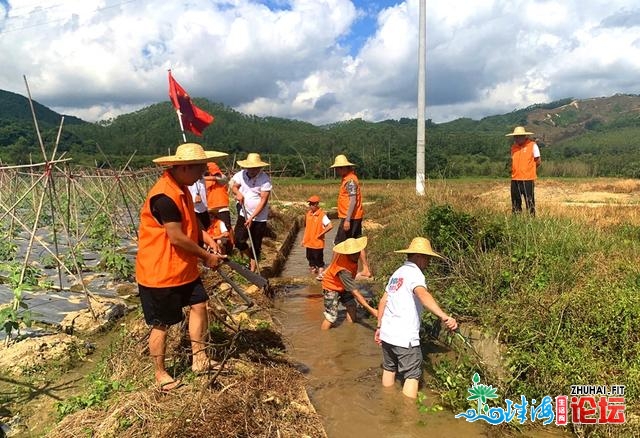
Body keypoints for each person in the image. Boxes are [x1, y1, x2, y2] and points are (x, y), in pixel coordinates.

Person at [135, 142, 227, 392]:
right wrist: (206, 257)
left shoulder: (182, 188)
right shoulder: (164, 196)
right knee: (161, 323)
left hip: (183, 267)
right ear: (183, 167)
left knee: (200, 305)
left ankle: (199, 357)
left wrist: (207, 238)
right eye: (199, 168)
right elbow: (175, 236)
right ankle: (160, 374)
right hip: (160, 272)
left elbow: (191, 222)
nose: (202, 174)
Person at [374, 237, 458, 399]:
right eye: (428, 258)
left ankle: (387, 404)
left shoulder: (397, 274)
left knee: (389, 368)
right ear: (419, 257)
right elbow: (422, 294)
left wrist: (379, 327)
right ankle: (408, 417)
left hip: (387, 334)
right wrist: (444, 316)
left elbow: (383, 300)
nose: (429, 262)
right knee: (412, 375)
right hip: (405, 337)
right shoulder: (415, 274)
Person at [320, 236, 378, 330]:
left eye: (358, 252)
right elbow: (355, 293)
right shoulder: (343, 269)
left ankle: (351, 331)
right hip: (331, 286)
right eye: (354, 254)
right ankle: (323, 336)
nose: (357, 255)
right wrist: (371, 310)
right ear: (348, 254)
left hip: (343, 285)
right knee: (331, 317)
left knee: (352, 306)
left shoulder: (350, 254)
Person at [330, 154, 372, 279]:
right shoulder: (348, 178)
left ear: (343, 168)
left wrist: (347, 219)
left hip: (350, 218)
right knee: (358, 242)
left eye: (337, 169)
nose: (336, 171)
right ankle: (365, 269)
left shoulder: (350, 181)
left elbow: (352, 201)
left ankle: (332, 270)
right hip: (355, 217)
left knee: (338, 242)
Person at [231, 153, 272, 272]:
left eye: (255, 168)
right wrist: (238, 193)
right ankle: (250, 256)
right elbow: (234, 186)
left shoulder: (264, 179)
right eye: (250, 168)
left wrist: (252, 217)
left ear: (259, 168)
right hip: (244, 213)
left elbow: (263, 201)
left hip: (259, 217)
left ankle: (252, 269)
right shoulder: (240, 175)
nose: (253, 170)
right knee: (238, 240)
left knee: (256, 243)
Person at [507, 126, 541, 215]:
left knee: (529, 201)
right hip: (515, 179)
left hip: (527, 179)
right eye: (515, 136)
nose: (516, 138)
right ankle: (516, 221)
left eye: (518, 136)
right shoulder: (513, 147)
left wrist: (529, 170)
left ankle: (531, 221)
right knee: (515, 202)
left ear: (524, 136)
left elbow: (538, 161)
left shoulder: (532, 145)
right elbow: (512, 161)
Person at [301, 195, 333, 280]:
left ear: (316, 204)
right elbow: (307, 228)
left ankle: (320, 276)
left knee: (319, 262)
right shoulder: (308, 214)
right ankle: (312, 277)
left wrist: (321, 234)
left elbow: (330, 226)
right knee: (310, 261)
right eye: (310, 204)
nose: (310, 206)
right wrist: (303, 240)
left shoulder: (322, 215)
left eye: (312, 204)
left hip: (317, 243)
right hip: (309, 243)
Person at [204, 162, 233, 253]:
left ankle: (230, 246)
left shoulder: (221, 177)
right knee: (210, 227)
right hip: (210, 206)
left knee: (227, 226)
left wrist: (201, 178)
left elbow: (221, 179)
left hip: (221, 205)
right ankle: (213, 246)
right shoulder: (204, 180)